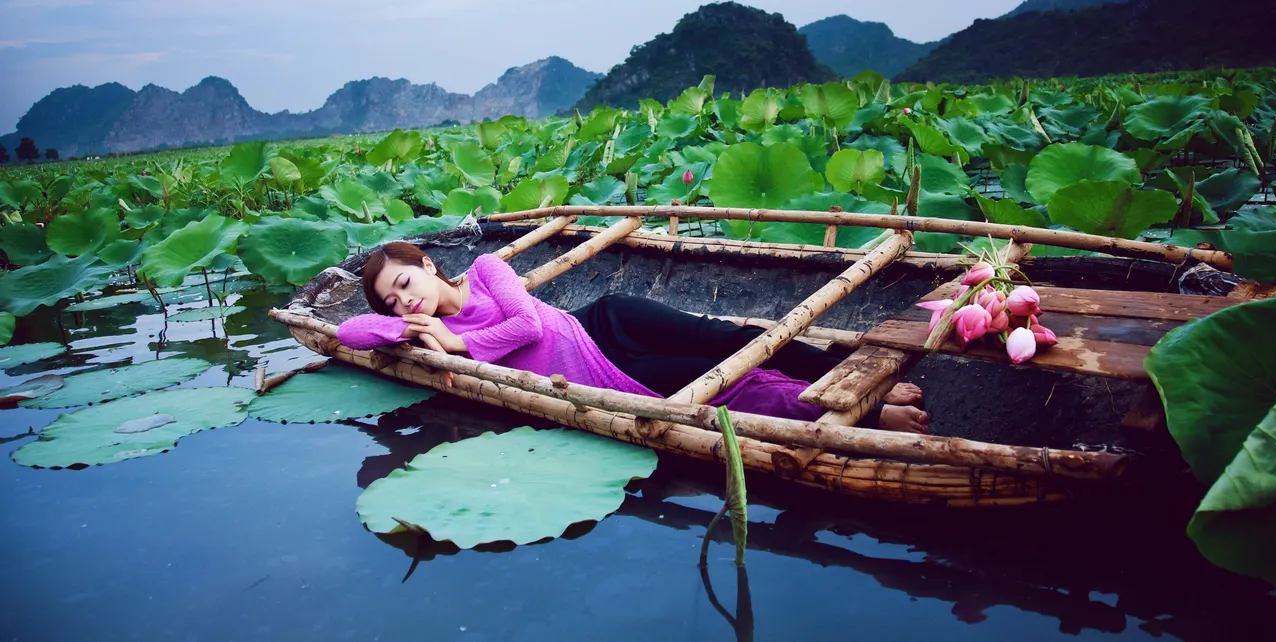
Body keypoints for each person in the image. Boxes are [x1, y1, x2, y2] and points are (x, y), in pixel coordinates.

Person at [335, 241, 928, 432]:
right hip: (599, 376)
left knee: (722, 338)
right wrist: (406, 324)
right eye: (393, 297)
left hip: (602, 322)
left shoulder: (488, 269)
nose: (404, 299)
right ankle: (864, 411)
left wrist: (458, 342)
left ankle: (830, 368)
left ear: (431, 266)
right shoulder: (418, 325)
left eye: (406, 281)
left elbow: (529, 324)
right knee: (721, 388)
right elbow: (349, 329)